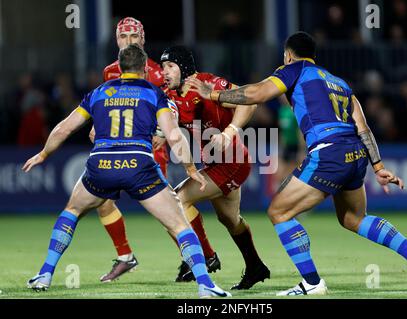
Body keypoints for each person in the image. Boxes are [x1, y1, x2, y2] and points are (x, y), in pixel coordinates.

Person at [187, 31, 407, 295]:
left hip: (329, 152)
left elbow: (257, 93)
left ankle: (312, 282)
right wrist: (377, 166)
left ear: (287, 55)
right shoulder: (339, 83)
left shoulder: (294, 69)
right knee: (354, 218)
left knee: (279, 212)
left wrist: (214, 95)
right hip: (354, 153)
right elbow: (363, 128)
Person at [23, 44, 231, 298]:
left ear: (119, 68)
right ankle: (205, 285)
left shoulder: (98, 92)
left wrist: (44, 154)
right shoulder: (154, 94)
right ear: (145, 68)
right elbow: (174, 135)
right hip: (139, 166)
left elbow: (64, 128)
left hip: (101, 166)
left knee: (72, 211)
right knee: (179, 224)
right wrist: (190, 167)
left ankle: (45, 273)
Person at [95, 17, 217, 283]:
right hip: (118, 151)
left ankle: (202, 256)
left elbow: (172, 106)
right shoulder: (109, 72)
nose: (129, 42)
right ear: (117, 40)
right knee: (102, 202)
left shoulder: (159, 73)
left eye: (134, 37)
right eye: (123, 37)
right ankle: (125, 256)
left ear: (143, 39)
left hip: (150, 153)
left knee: (169, 215)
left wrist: (161, 132)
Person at [161, 46, 270, 289]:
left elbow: (249, 102)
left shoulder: (209, 83)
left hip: (232, 162)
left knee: (177, 200)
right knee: (230, 220)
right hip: (215, 163)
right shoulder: (169, 94)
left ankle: (204, 257)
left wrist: (230, 131)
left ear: (185, 67)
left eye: (170, 66)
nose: (165, 72)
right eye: (163, 67)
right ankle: (255, 267)